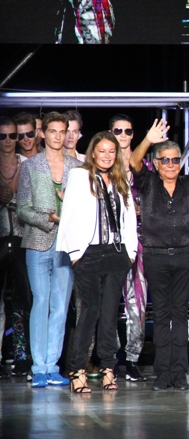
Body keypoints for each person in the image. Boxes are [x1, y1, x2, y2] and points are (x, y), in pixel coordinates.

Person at [130, 118, 189, 391]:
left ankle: (179, 374)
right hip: (155, 256)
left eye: (175, 160)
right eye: (165, 160)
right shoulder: (147, 183)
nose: (170, 165)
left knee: (179, 314)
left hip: (184, 255)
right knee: (161, 314)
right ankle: (162, 373)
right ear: (156, 163)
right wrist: (148, 140)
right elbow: (133, 162)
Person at [57, 131, 138, 393]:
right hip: (88, 253)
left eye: (111, 151)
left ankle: (108, 368)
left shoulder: (120, 178)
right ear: (93, 152)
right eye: (102, 151)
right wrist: (75, 254)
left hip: (116, 253)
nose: (107, 156)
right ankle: (77, 369)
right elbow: (69, 214)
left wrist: (130, 252)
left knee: (109, 314)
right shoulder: (80, 176)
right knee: (90, 310)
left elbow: (129, 218)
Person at [17, 111, 82, 388]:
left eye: (62, 131)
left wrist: (66, 216)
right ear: (43, 133)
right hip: (37, 240)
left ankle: (53, 365)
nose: (57, 136)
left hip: (66, 243)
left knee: (60, 305)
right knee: (40, 301)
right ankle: (38, 367)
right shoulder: (31, 166)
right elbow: (22, 209)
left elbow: (82, 207)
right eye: (52, 131)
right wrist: (49, 219)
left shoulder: (77, 167)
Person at [109, 114, 150, 382]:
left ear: (133, 134)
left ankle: (133, 359)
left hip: (138, 242)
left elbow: (156, 199)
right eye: (118, 131)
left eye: (127, 131)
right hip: (109, 241)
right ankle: (111, 359)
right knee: (109, 303)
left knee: (138, 303)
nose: (123, 135)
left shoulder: (145, 166)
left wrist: (140, 209)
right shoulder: (103, 164)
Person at [0, 117, 31, 378]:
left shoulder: (27, 165)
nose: (9, 141)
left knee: (23, 300)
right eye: (3, 136)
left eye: (13, 136)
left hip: (22, 239)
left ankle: (22, 356)